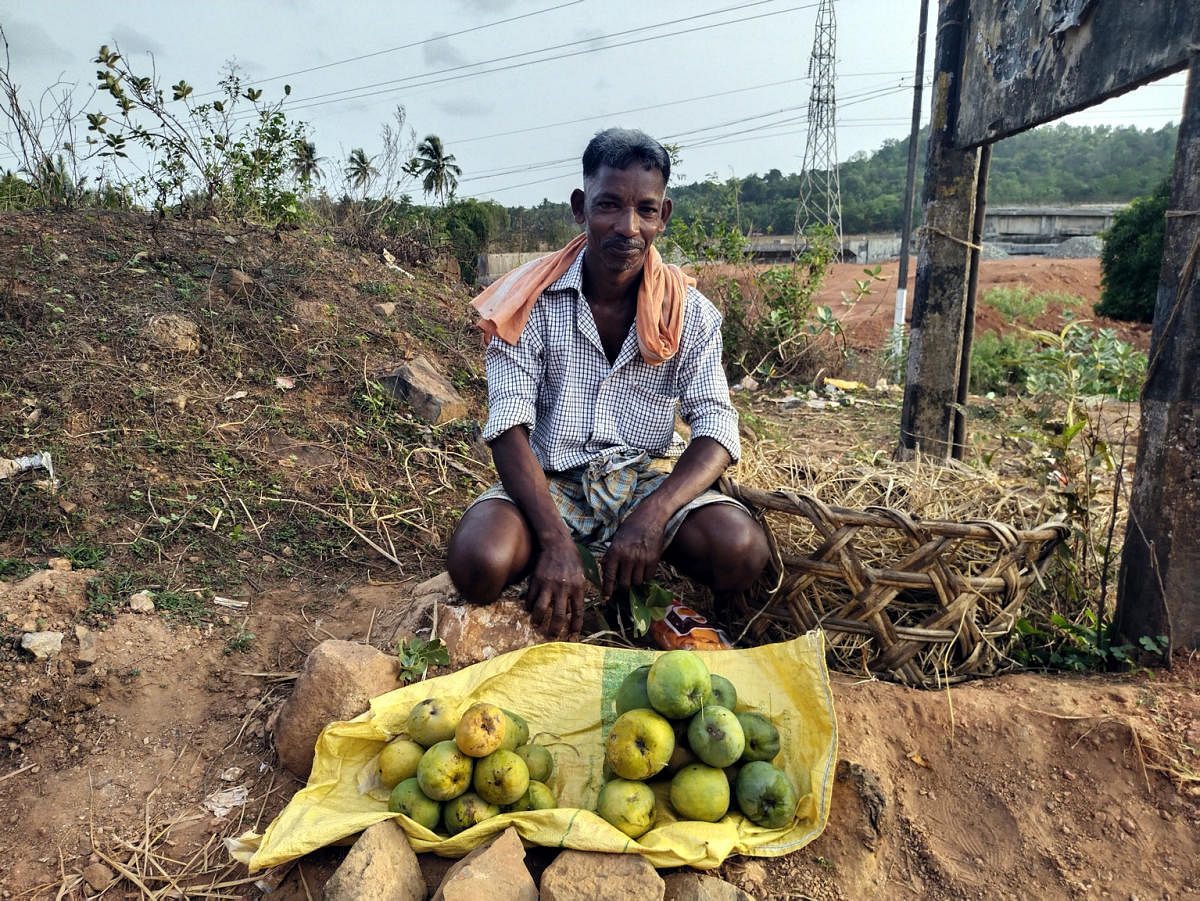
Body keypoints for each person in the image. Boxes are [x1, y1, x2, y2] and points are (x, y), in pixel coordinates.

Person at [447, 127, 769, 639]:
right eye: (609, 206)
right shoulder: (525, 303)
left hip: (645, 481)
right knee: (477, 564)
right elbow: (508, 428)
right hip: (553, 483)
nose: (627, 227)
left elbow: (716, 427)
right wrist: (554, 541)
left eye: (645, 209)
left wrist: (653, 516)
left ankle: (633, 577)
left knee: (742, 551)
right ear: (580, 207)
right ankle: (564, 566)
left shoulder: (690, 315)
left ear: (662, 216)